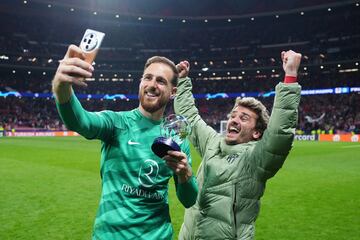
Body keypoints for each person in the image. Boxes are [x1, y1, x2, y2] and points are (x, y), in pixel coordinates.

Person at [52, 45, 198, 240]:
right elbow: (80, 121)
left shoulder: (175, 138)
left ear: (173, 92)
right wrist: (61, 86)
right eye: (148, 77)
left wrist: (185, 173)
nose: (152, 84)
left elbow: (189, 200)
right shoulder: (116, 123)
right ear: (141, 82)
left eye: (161, 81)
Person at [175, 50, 302, 239]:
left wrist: (290, 76)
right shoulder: (212, 142)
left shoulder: (256, 159)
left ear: (257, 132)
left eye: (244, 118)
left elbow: (279, 135)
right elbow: (190, 118)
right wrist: (182, 81)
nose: (234, 120)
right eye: (233, 115)